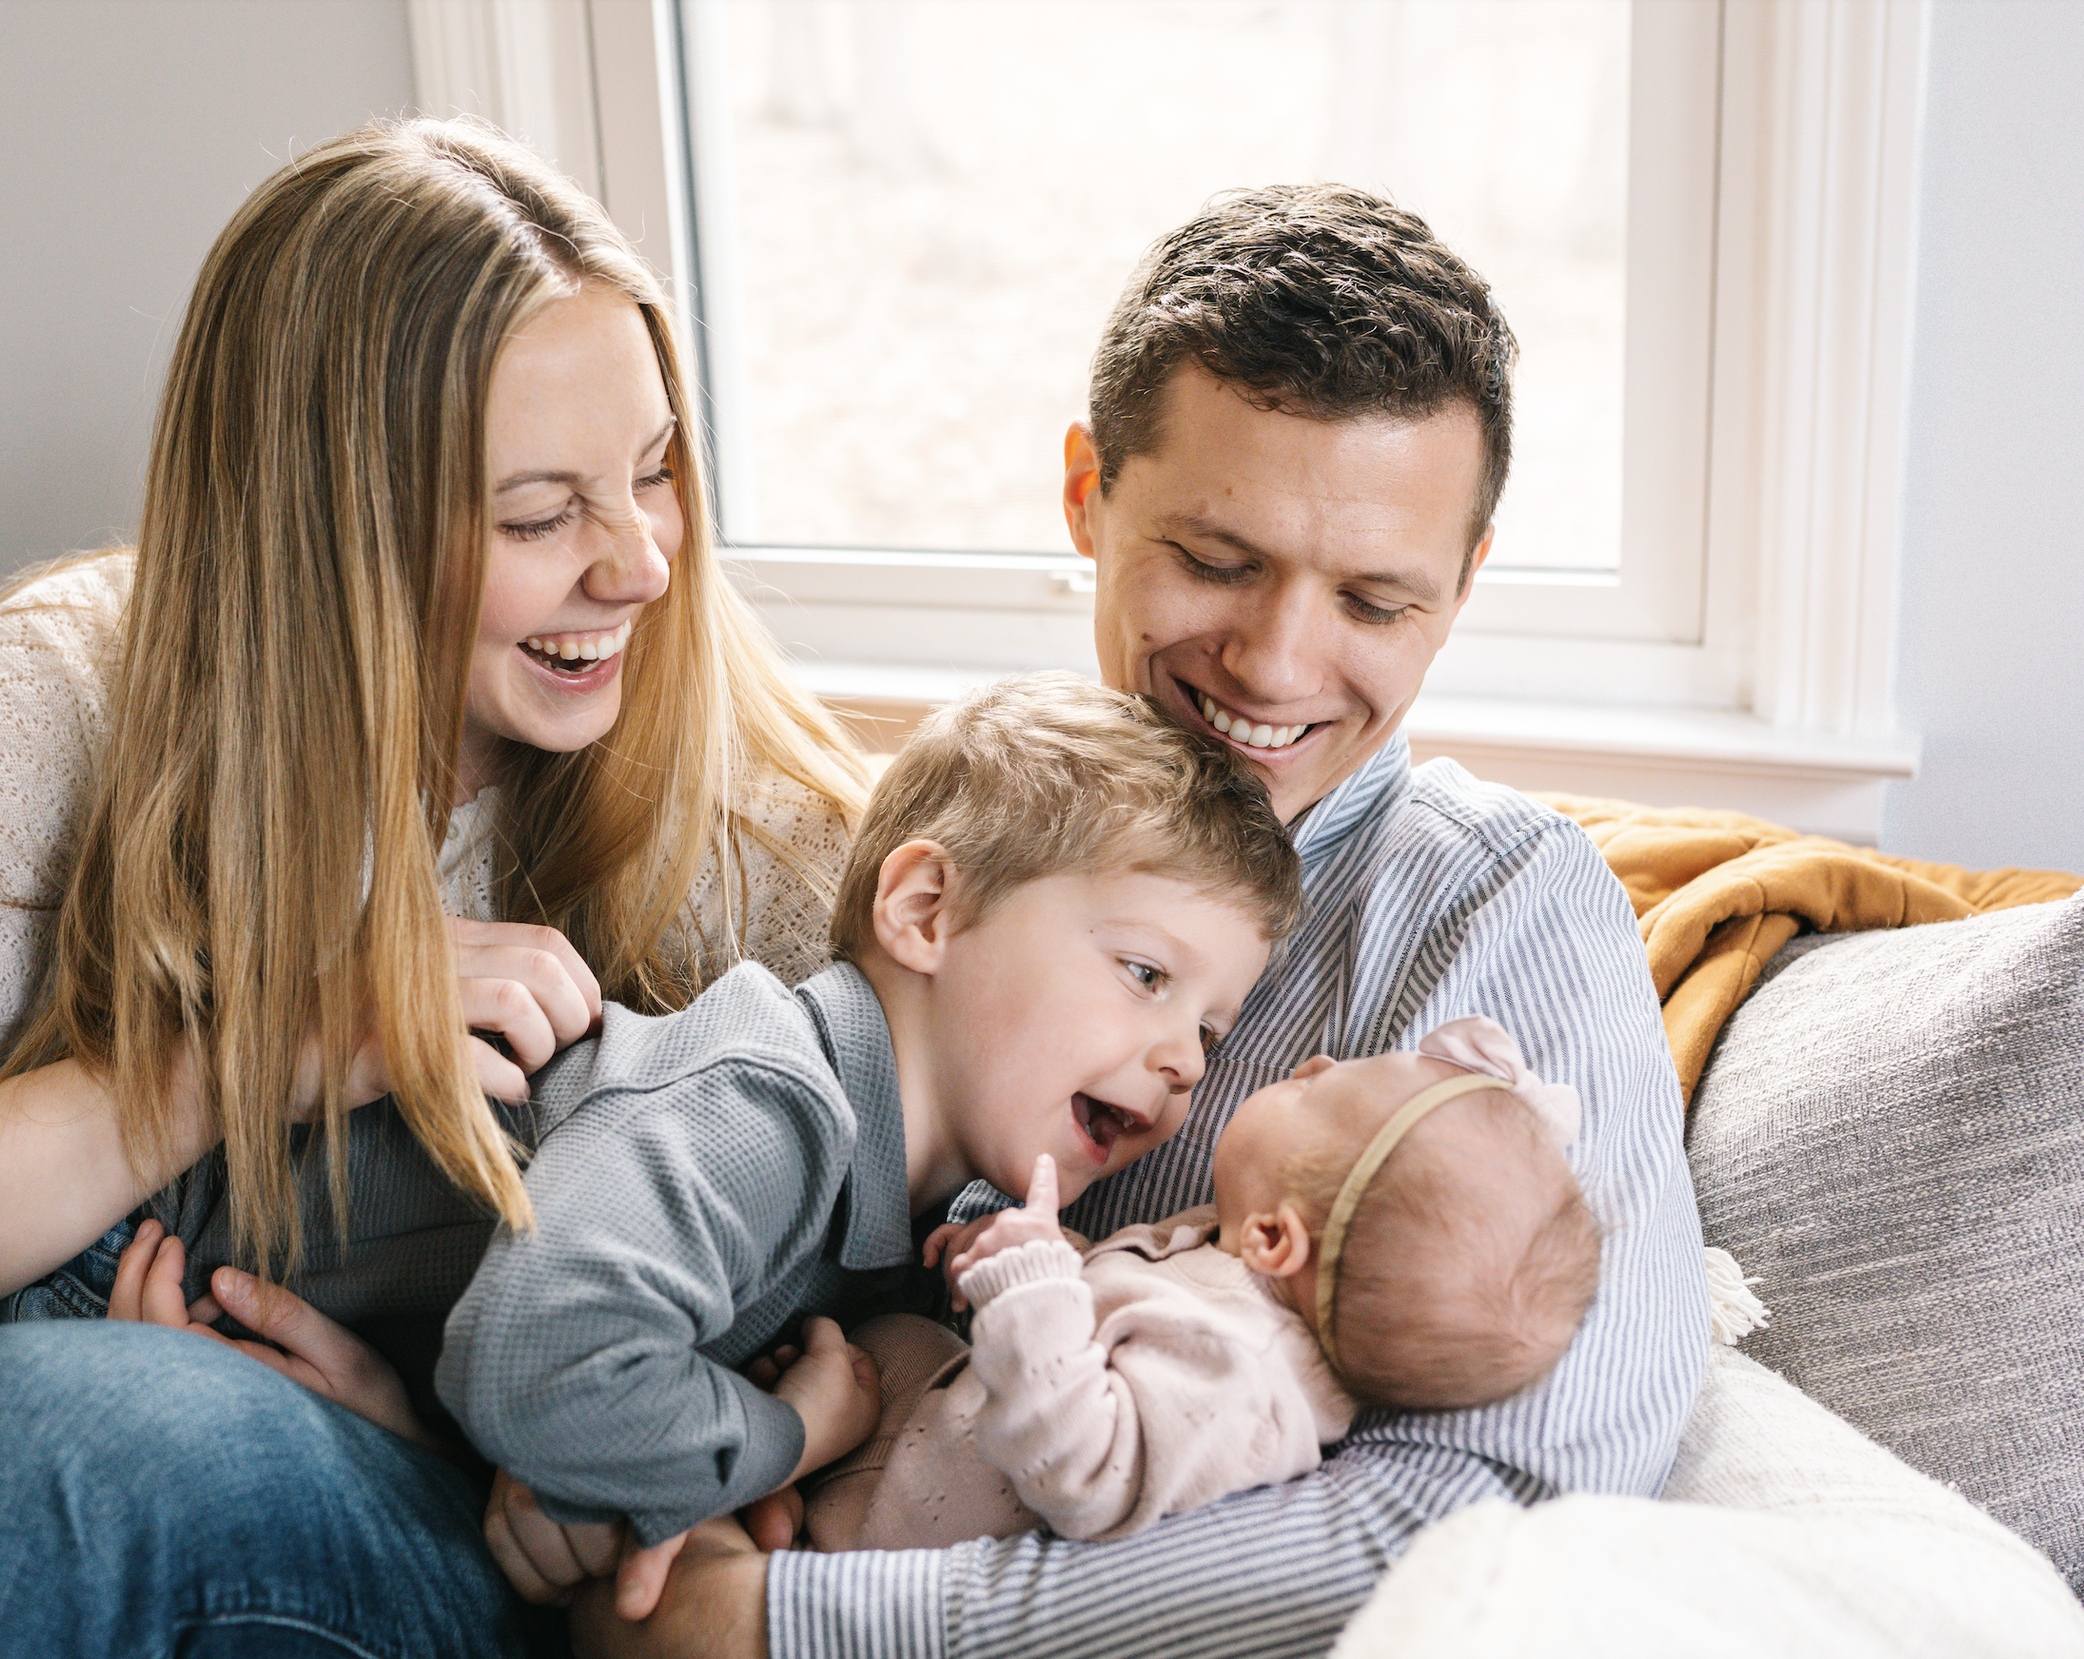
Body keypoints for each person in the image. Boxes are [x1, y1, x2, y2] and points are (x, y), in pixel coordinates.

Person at [0, 117, 865, 1659]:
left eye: (657, 475)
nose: (642, 567)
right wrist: (275, 1049)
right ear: (328, 523)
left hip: (398, 1512)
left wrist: (432, 1432)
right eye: (541, 514)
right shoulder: (79, 680)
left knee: (44, 1431)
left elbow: (875, 1329)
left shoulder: (753, 832)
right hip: (21, 1428)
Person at [572, 186, 1710, 1659]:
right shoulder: (948, 843)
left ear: (1466, 581)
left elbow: (1501, 1510)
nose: (1278, 661)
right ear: (1086, 494)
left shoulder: (1500, 904)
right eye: (1220, 561)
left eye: (1375, 597)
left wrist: (794, 1623)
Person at [436, 672, 1298, 1614]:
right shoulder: (768, 1100)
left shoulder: (918, 1226)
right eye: (1145, 973)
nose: (1184, 1063)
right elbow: (532, 1364)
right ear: (926, 910)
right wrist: (802, 1429)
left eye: (1210, 1034)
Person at [802, 1014, 1598, 1552]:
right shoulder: (1225, 1261)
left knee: (835, 1371)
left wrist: (1031, 1285)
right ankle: (793, 1453)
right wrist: (1043, 1252)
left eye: (1314, 1090)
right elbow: (1119, 1314)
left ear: (1275, 1236)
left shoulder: (1240, 1376)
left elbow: (1081, 1464)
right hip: (934, 1426)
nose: (1312, 1062)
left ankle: (761, 1514)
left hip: (894, 1536)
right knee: (886, 1341)